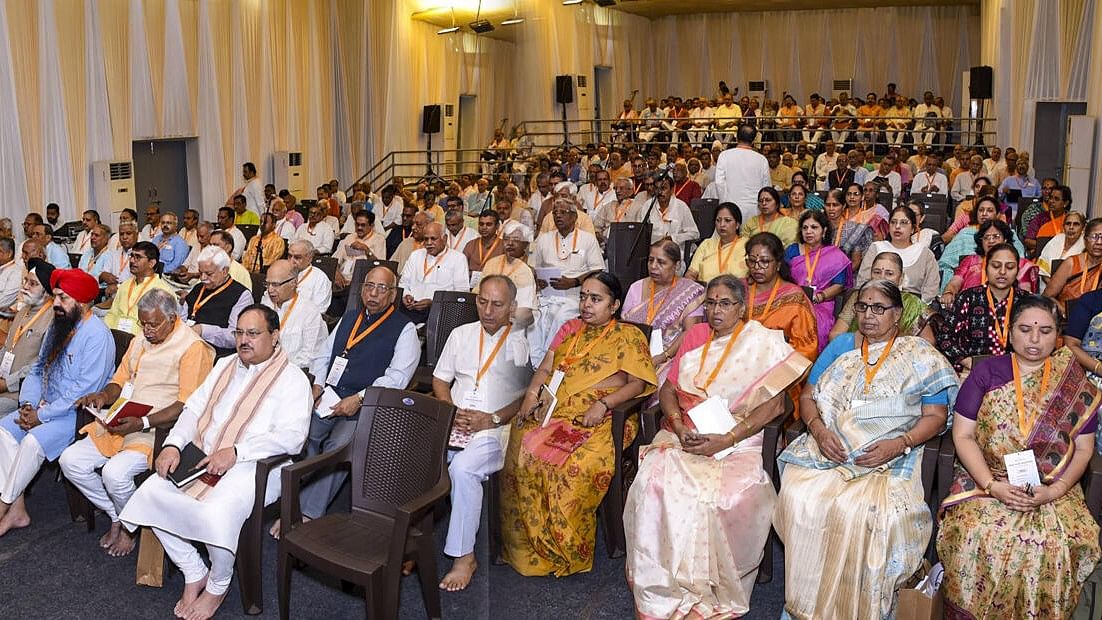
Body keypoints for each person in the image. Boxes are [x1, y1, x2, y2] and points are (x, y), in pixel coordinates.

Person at [624, 275, 812, 618]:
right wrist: (679, 426)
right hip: (688, 432)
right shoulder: (695, 336)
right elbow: (669, 388)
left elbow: (774, 406)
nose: (715, 310)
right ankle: (670, 579)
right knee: (654, 480)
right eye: (710, 302)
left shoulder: (761, 342)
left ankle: (712, 584)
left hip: (740, 438)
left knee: (728, 496)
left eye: (725, 303)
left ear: (741, 308)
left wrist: (727, 439)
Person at [775, 279, 958, 619]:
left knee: (875, 515)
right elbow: (807, 396)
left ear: (898, 314)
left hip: (893, 455)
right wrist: (818, 430)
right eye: (862, 307)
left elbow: (935, 415)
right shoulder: (842, 346)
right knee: (802, 498)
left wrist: (898, 443)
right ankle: (808, 600)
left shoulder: (919, 356)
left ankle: (861, 606)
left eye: (879, 308)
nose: (869, 316)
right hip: (830, 449)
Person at [119, 304, 310, 620]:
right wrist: (173, 445)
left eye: (253, 333)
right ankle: (194, 569)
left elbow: (293, 438)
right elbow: (192, 409)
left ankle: (218, 585)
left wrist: (237, 452)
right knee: (151, 492)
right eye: (239, 333)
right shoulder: (225, 365)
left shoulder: (293, 380)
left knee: (215, 512)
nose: (243, 340)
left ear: (275, 336)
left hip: (257, 466)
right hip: (206, 454)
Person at [937, 295, 1100, 617]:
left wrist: (1053, 491)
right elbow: (964, 435)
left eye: (1045, 330)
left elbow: (1084, 449)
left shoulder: (1074, 380)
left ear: (1058, 336)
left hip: (1052, 486)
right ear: (1010, 334)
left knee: (1054, 544)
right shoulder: (986, 373)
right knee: (978, 533)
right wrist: (991, 485)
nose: (1035, 339)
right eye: (1025, 329)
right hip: (986, 478)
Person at [502, 271, 657, 577]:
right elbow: (546, 369)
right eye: (583, 297)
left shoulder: (628, 336)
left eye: (595, 299)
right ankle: (533, 544)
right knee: (520, 446)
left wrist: (603, 404)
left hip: (605, 418)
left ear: (614, 306)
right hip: (557, 410)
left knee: (575, 466)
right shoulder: (570, 330)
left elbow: (637, 385)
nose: (586, 304)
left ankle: (567, 549)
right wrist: (531, 397)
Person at [62, 288, 214, 557]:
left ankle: (131, 528)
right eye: (143, 323)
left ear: (172, 318)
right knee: (70, 461)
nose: (147, 330)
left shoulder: (192, 347)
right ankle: (119, 516)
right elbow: (120, 380)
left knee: (114, 475)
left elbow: (187, 406)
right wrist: (103, 395)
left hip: (156, 430)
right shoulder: (141, 339)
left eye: (153, 324)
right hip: (122, 419)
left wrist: (142, 422)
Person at [279, 267, 418, 535]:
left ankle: (307, 512)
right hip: (331, 394)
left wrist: (360, 397)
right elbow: (324, 354)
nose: (374, 293)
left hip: (366, 405)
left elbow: (398, 378)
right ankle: (291, 499)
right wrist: (318, 383)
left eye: (382, 288)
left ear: (393, 294)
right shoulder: (350, 317)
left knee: (338, 446)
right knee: (303, 434)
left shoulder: (405, 329)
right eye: (369, 286)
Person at [431, 275, 532, 591]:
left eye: (497, 304)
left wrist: (493, 418)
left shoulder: (521, 341)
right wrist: (449, 411)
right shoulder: (461, 334)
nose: (487, 310)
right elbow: (440, 380)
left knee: (462, 469)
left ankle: (464, 557)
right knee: (414, 456)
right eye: (482, 301)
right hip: (455, 421)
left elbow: (526, 395)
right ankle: (408, 543)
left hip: (496, 430)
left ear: (512, 307)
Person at [0, 269, 115, 536]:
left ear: (83, 302)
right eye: (57, 297)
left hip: (74, 414)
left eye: (63, 298)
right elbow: (38, 368)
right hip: (43, 406)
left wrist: (43, 415)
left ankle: (4, 506)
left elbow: (84, 389)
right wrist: (28, 404)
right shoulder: (58, 324)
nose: (57, 304)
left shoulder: (98, 335)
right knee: (4, 432)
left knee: (30, 442)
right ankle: (17, 508)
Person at [529, 197, 606, 365]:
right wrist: (538, 280)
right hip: (547, 293)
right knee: (534, 317)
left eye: (563, 212)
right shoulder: (544, 239)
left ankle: (551, 362)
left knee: (560, 317)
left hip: (575, 294)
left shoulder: (587, 239)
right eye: (555, 213)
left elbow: (597, 269)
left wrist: (574, 282)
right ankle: (535, 363)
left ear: (574, 217)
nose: (558, 216)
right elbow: (533, 267)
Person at [623, 240, 705, 393]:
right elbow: (625, 327)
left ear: (677, 265)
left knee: (660, 384)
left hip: (671, 355)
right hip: (632, 352)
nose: (653, 266)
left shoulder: (690, 291)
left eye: (661, 262)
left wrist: (663, 356)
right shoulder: (636, 287)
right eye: (650, 260)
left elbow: (690, 333)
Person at [938, 243, 1025, 374]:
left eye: (1010, 267)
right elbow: (945, 336)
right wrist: (965, 361)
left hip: (1016, 370)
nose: (1002, 272)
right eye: (996, 266)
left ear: (1017, 270)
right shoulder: (969, 297)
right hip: (973, 369)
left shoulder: (1027, 302)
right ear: (986, 268)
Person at [744, 233, 818, 364]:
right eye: (752, 261)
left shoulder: (794, 297)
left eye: (765, 261)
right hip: (738, 362)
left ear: (778, 264)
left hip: (778, 367)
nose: (756, 267)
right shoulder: (738, 290)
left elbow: (806, 348)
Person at [830, 251, 936, 344]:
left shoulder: (912, 303)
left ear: (901, 278)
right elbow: (836, 334)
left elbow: (928, 342)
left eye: (889, 274)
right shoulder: (858, 297)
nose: (882, 278)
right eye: (877, 272)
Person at [787, 209, 852, 349]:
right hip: (792, 301)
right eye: (805, 228)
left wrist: (819, 297)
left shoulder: (834, 255)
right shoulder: (792, 250)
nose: (808, 231)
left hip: (820, 304)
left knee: (813, 323)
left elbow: (839, 285)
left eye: (814, 227)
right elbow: (783, 278)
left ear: (824, 231)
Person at [939, 219, 1038, 306]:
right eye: (986, 237)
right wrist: (949, 292)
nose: (991, 240)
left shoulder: (1019, 263)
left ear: (1005, 240)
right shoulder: (970, 260)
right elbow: (955, 282)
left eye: (996, 236)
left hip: (1009, 310)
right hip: (971, 308)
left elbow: (1026, 297)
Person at [0, 261, 55, 414]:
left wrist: (6, 384)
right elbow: (7, 347)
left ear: (46, 291)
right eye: (26, 281)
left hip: (19, 394)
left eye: (33, 284)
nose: (25, 287)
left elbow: (41, 366)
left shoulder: (53, 319)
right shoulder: (24, 310)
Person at [939, 196, 1027, 289]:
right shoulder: (965, 233)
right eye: (981, 210)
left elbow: (1020, 259)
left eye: (989, 210)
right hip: (966, 282)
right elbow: (946, 262)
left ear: (998, 215)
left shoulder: (1009, 233)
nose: (984, 214)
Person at [857, 205, 940, 302]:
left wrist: (914, 309)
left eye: (903, 223)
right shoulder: (876, 248)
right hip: (875, 305)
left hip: (913, 309)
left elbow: (931, 290)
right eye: (893, 222)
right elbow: (862, 283)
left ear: (913, 229)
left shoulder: (924, 253)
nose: (897, 226)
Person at [181, 246, 252, 357]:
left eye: (209, 274)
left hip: (216, 355)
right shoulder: (198, 288)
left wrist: (203, 330)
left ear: (224, 271)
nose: (203, 278)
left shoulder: (241, 295)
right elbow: (182, 317)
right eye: (200, 273)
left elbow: (237, 336)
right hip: (187, 347)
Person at [399, 222, 471, 323]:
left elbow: (461, 293)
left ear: (444, 239)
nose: (428, 243)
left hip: (440, 311)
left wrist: (433, 303)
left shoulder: (458, 259)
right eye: (426, 239)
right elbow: (403, 283)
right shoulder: (415, 255)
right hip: (411, 308)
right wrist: (406, 296)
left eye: (433, 239)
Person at [261, 260, 327, 370]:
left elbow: (309, 357)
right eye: (267, 284)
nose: (270, 290)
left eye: (276, 284)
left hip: (290, 371)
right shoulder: (266, 303)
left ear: (293, 283)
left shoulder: (309, 312)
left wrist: (277, 367)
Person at [104, 241, 175, 335]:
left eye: (138, 257)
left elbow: (166, 326)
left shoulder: (162, 290)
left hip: (142, 341)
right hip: (115, 336)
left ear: (151, 263)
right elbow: (112, 314)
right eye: (131, 256)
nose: (132, 260)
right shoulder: (125, 285)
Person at [476, 222, 536, 327]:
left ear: (525, 244)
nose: (510, 243)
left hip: (512, 324)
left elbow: (523, 312)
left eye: (516, 240)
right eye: (506, 239)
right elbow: (477, 294)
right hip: (485, 317)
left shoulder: (525, 270)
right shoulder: (491, 263)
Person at [1044, 217, 1102, 314]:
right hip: (1066, 318)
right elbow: (1047, 296)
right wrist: (1064, 312)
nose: (1099, 242)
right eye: (1094, 236)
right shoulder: (1071, 263)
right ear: (1085, 240)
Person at [715, 125, 770, 219]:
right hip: (755, 209)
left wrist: (725, 205)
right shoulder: (762, 159)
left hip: (731, 209)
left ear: (736, 136)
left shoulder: (724, 155)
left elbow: (719, 183)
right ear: (754, 140)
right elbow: (766, 187)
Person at [686, 202, 748, 282]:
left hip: (736, 292)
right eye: (718, 220)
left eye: (727, 220)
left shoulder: (747, 245)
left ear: (737, 225)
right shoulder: (707, 244)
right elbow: (690, 274)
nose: (722, 224)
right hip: (706, 292)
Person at [823, 188, 873, 271]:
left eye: (835, 205)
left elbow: (855, 262)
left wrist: (838, 276)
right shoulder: (819, 227)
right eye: (828, 205)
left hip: (846, 277)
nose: (831, 208)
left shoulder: (854, 229)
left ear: (843, 206)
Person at [644, 176, 699, 245]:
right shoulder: (648, 205)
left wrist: (673, 238)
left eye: (663, 188)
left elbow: (694, 234)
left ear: (672, 190)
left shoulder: (681, 206)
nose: (660, 192)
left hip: (676, 250)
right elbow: (641, 231)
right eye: (657, 188)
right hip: (653, 249)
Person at [1036, 210, 1085, 280]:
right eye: (1068, 224)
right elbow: (1043, 271)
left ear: (1083, 227)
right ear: (1063, 227)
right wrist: (1053, 287)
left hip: (1072, 287)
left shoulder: (1086, 245)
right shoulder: (1057, 239)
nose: (1071, 227)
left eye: (1076, 224)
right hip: (1047, 284)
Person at [461, 210, 503, 279]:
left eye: (489, 224)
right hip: (471, 287)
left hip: (494, 285)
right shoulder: (470, 245)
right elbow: (461, 269)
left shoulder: (503, 246)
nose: (484, 227)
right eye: (481, 224)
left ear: (497, 226)